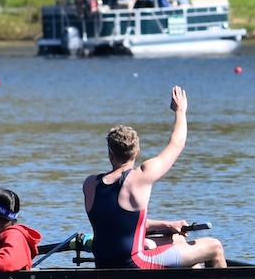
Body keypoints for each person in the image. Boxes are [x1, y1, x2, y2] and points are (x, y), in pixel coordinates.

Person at [84, 87, 227, 269]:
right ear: (137, 152)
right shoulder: (140, 176)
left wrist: (167, 225)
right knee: (214, 246)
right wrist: (180, 111)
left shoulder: (90, 184)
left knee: (172, 238)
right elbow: (177, 143)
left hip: (104, 263)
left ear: (110, 154)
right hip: (135, 263)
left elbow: (118, 223)